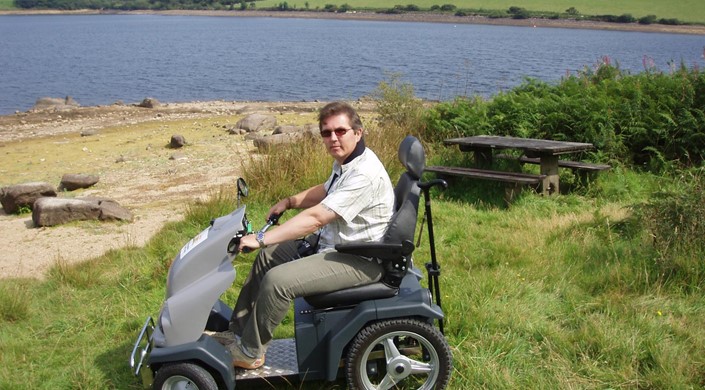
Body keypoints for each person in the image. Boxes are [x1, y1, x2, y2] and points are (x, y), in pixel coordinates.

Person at [216, 101, 396, 370]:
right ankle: (238, 332)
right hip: (337, 246)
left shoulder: (364, 174)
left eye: (340, 131)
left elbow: (316, 217)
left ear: (358, 132)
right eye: (326, 133)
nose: (333, 138)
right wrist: (289, 201)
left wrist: (262, 237)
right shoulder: (348, 161)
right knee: (268, 258)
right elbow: (325, 191)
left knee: (277, 281)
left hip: (360, 259)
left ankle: (251, 353)